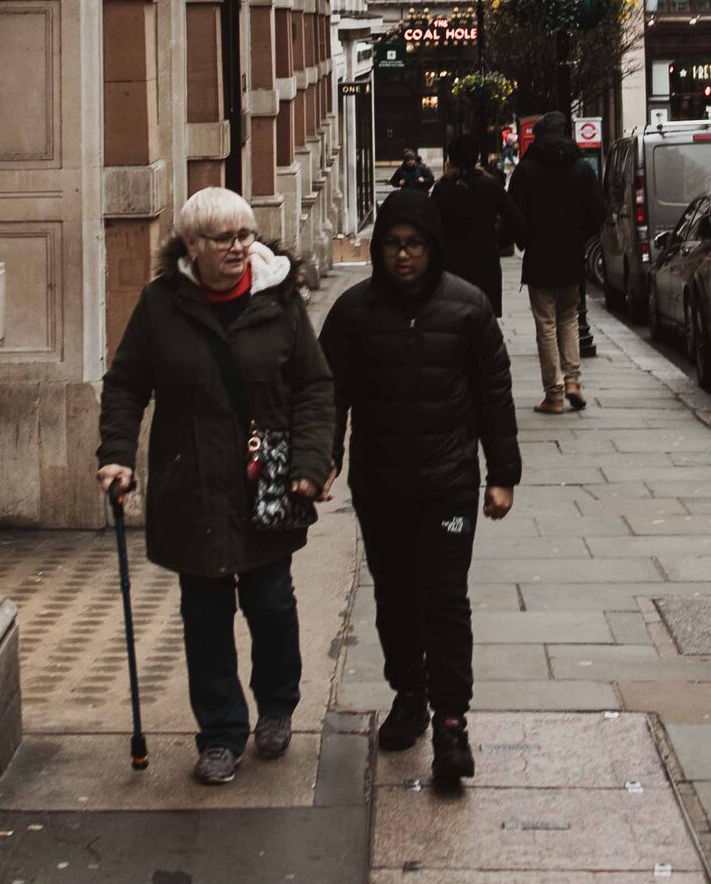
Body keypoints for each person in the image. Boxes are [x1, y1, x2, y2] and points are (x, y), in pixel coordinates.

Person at [96, 187, 336, 785]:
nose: (238, 247)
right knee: (204, 616)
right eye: (224, 237)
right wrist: (117, 455)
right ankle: (221, 734)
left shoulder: (278, 301)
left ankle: (277, 706)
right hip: (191, 483)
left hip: (264, 482)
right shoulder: (161, 305)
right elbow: (126, 383)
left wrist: (312, 460)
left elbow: (313, 386)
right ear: (193, 245)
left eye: (246, 235)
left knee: (272, 603)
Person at [321, 192, 519, 793]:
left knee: (445, 600)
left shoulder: (468, 308)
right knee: (396, 599)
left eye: (414, 245)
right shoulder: (353, 313)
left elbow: (495, 396)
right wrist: (325, 457)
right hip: (381, 485)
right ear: (379, 248)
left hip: (449, 485)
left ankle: (452, 724)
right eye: (392, 245)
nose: (403, 256)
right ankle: (410, 694)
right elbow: (329, 395)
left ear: (432, 248)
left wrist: (502, 473)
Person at [504, 112, 604, 414]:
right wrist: (580, 237)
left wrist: (525, 240)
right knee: (569, 318)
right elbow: (597, 213)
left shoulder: (527, 169)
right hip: (570, 255)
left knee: (546, 324)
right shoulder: (582, 169)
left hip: (539, 256)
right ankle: (573, 379)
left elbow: (514, 214)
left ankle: (554, 393)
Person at [431, 129, 510, 312]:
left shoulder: (442, 189)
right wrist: (499, 240)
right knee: (483, 321)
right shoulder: (491, 186)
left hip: (451, 265)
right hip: (485, 261)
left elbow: (431, 226)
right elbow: (515, 221)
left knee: (454, 319)